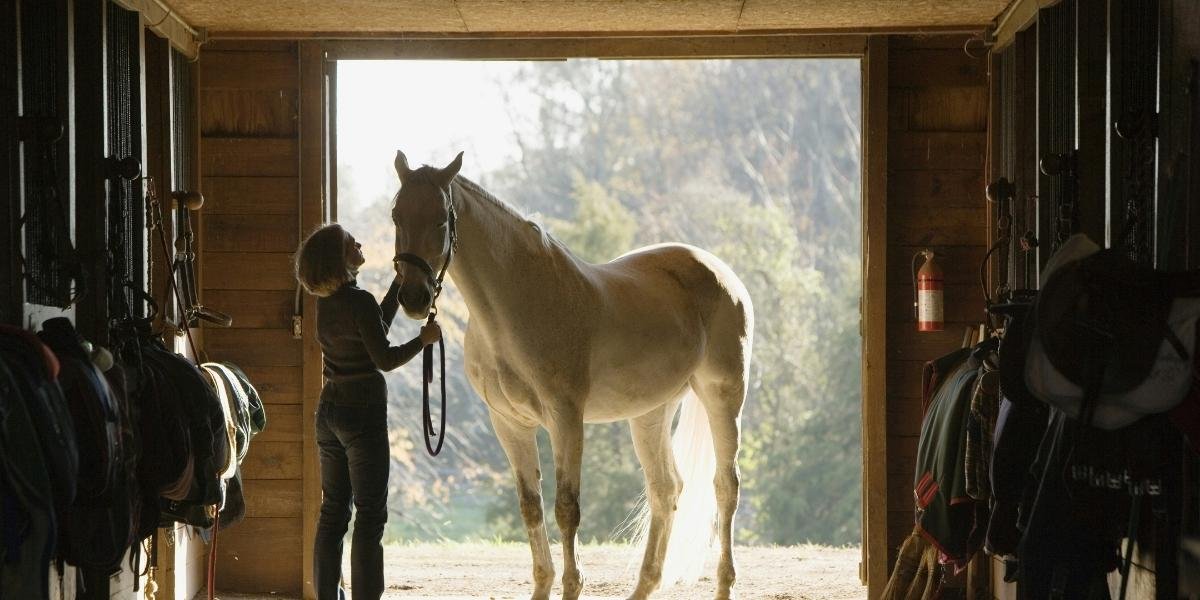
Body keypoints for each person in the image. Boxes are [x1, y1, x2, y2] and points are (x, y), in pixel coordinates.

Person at [294, 223, 440, 600]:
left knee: (333, 513)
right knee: (370, 515)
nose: (359, 243)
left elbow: (374, 329)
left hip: (329, 412)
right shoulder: (357, 301)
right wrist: (423, 341)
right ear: (339, 258)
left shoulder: (327, 302)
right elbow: (385, 358)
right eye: (350, 243)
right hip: (363, 413)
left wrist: (396, 285)